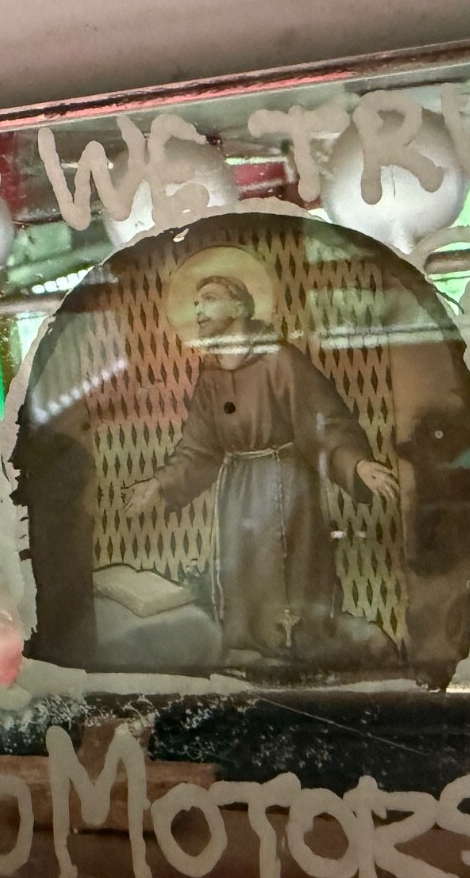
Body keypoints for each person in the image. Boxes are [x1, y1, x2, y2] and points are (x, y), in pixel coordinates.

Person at [123, 271, 399, 664]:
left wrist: (356, 464)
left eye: (210, 298)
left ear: (239, 306)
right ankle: (255, 656)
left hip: (285, 484)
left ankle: (309, 653)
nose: (199, 309)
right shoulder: (212, 374)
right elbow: (199, 448)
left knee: (290, 582)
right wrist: (159, 484)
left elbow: (322, 422)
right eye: (197, 302)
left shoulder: (279, 360)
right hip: (238, 491)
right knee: (245, 588)